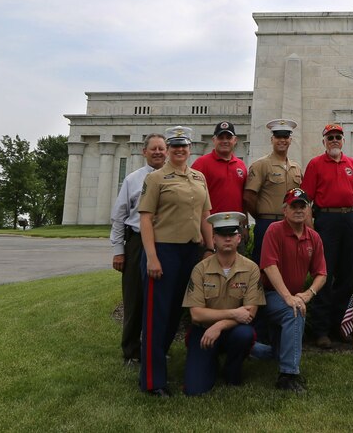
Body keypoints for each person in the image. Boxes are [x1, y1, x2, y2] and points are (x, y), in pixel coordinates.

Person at [137, 125, 214, 397]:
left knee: (174, 316)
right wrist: (152, 257)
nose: (180, 150)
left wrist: (211, 249)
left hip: (191, 253)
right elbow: (145, 218)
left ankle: (164, 362)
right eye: (175, 146)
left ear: (190, 149)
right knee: (156, 318)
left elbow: (206, 216)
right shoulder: (157, 178)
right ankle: (152, 381)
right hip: (163, 251)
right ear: (168, 149)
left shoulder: (199, 177)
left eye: (184, 146)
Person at [181, 211, 265, 395]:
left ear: (239, 238)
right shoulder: (200, 269)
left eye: (232, 234)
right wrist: (233, 313)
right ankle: (209, 361)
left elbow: (250, 312)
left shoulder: (251, 269)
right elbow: (196, 314)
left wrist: (219, 325)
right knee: (195, 390)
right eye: (222, 234)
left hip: (233, 331)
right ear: (214, 239)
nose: (227, 238)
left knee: (245, 334)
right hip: (204, 332)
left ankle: (231, 369)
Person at [301, 123, 353, 348]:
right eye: (330, 137)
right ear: (324, 141)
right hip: (326, 222)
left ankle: (341, 325)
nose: (334, 141)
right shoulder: (315, 164)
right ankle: (321, 330)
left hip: (348, 220)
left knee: (346, 276)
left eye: (338, 137)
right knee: (325, 275)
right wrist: (310, 229)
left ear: (343, 140)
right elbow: (306, 201)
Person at [258, 187, 328, 392]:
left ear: (308, 211)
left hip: (293, 297)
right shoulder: (274, 230)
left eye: (302, 206)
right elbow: (269, 266)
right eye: (293, 206)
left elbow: (321, 274)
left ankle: (258, 351)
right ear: (284, 210)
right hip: (268, 295)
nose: (298, 210)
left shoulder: (314, 237)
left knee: (275, 351)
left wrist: (308, 294)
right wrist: (289, 297)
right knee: (294, 312)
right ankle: (288, 376)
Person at [109, 133, 168, 366]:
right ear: (144, 152)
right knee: (134, 298)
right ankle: (132, 352)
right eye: (152, 148)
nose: (157, 152)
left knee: (162, 299)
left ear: (167, 151)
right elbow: (119, 216)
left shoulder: (174, 178)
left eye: (161, 149)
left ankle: (156, 349)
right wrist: (118, 250)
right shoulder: (133, 180)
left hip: (164, 242)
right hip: (136, 243)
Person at [244, 119, 304, 263]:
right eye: (278, 136)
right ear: (272, 139)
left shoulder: (296, 168)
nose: (282, 140)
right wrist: (261, 216)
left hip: (290, 224)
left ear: (290, 140)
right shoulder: (261, 165)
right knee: (265, 265)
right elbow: (248, 196)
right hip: (267, 223)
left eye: (285, 137)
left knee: (289, 265)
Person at [191, 121, 249, 237]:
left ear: (235, 140)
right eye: (221, 137)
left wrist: (246, 225)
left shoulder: (241, 165)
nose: (225, 141)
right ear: (214, 140)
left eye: (228, 137)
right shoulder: (201, 164)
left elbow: (244, 199)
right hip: (211, 228)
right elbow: (193, 199)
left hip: (235, 229)